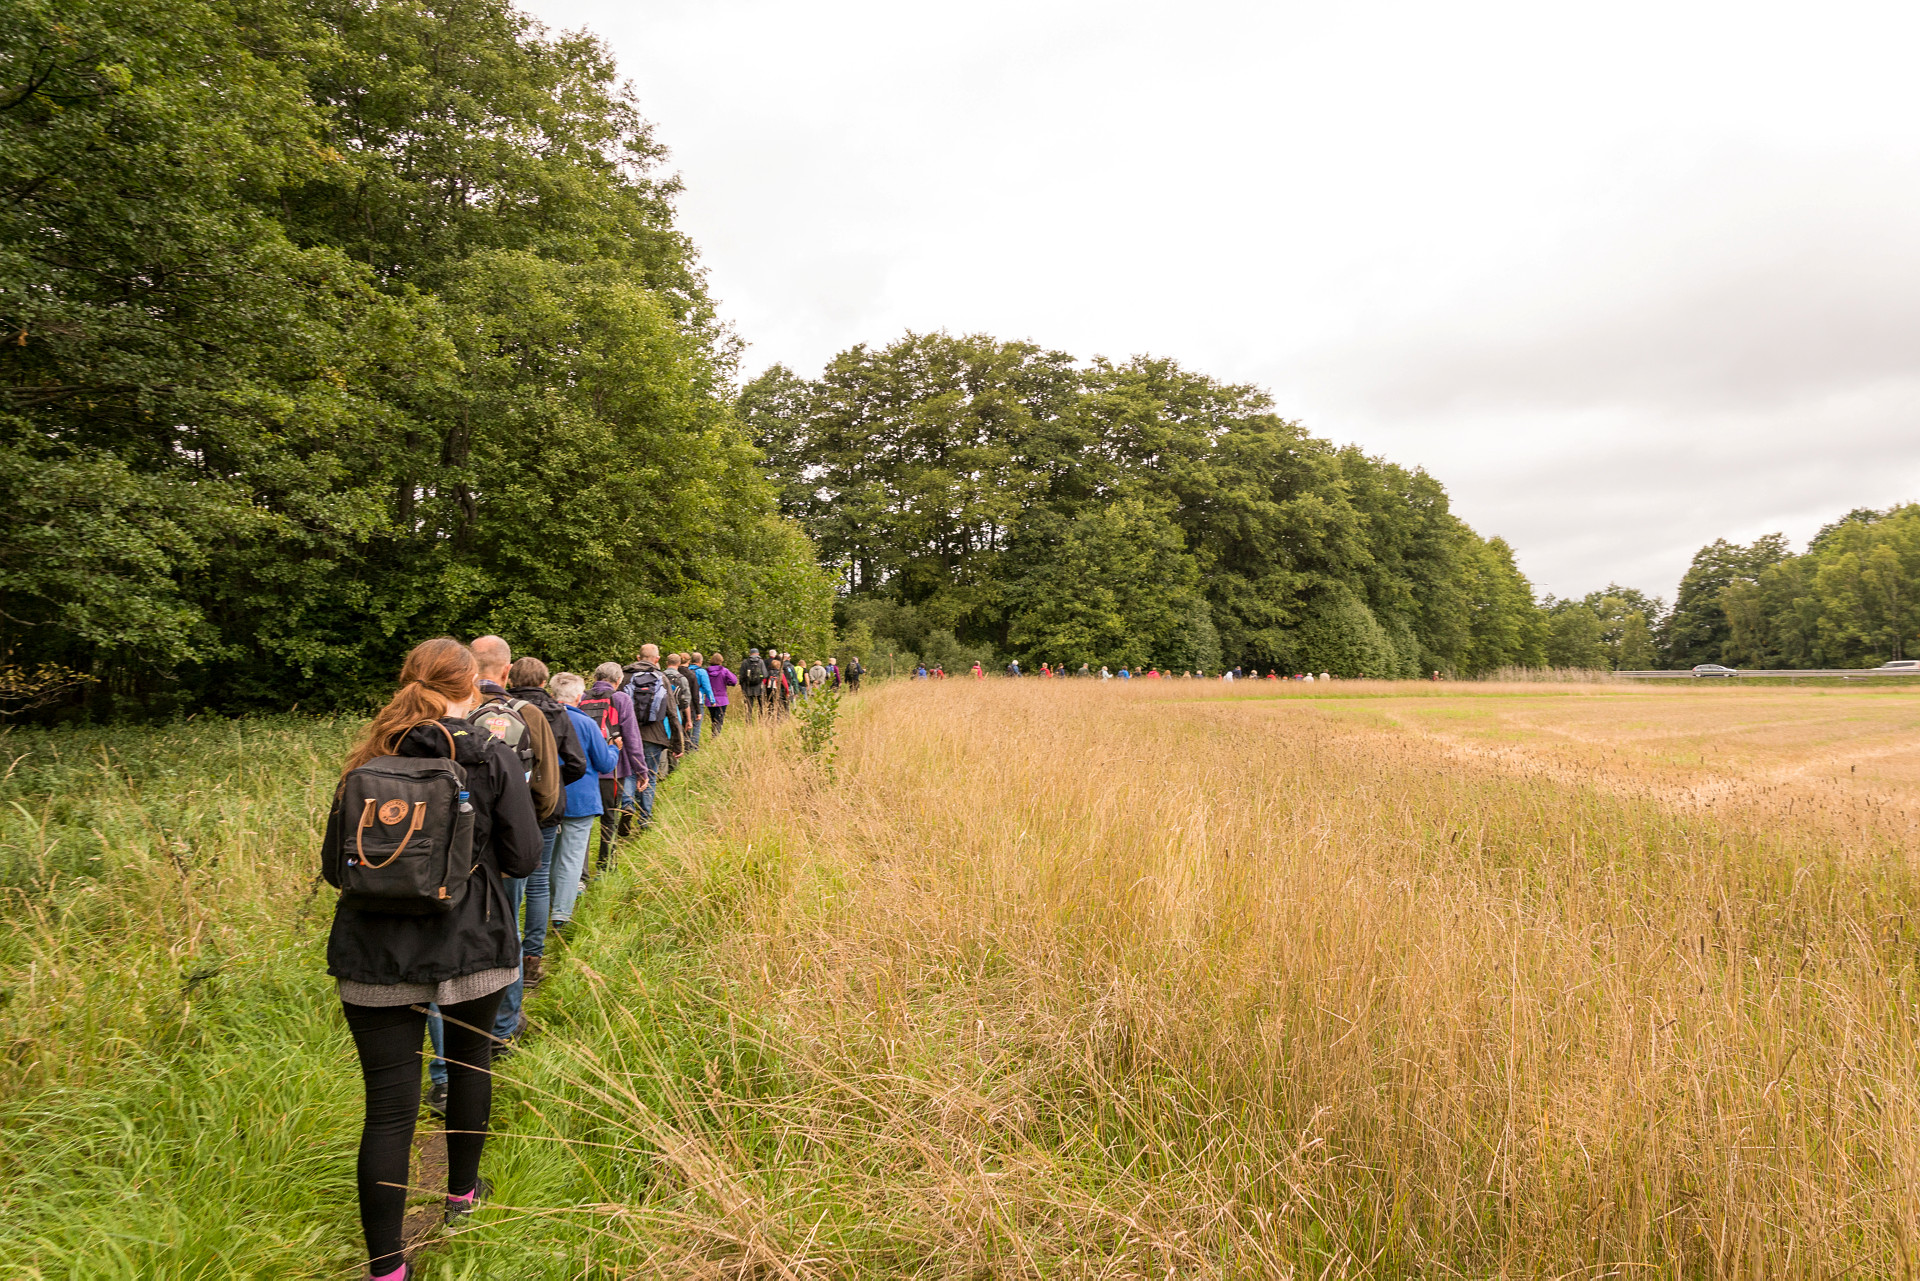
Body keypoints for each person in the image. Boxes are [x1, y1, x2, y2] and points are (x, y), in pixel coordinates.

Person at [321, 637, 542, 1281]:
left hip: (373, 950)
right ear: (471, 687)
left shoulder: (369, 758)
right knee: (470, 1064)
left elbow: (337, 868)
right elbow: (525, 857)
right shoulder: (492, 755)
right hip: (470, 938)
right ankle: (462, 1198)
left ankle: (386, 1269)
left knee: (389, 1106)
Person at [545, 672, 618, 936]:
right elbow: (604, 763)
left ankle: (546, 906)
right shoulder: (585, 723)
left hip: (546, 798)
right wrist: (614, 748)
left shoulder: (540, 719)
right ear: (579, 696)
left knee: (550, 856)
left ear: (553, 693)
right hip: (580, 798)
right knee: (572, 857)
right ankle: (561, 915)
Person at [581, 662, 642, 872]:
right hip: (613, 770)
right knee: (610, 819)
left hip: (583, 770)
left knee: (583, 823)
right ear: (618, 681)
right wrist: (641, 770)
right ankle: (605, 865)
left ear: (595, 677)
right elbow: (632, 738)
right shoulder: (621, 698)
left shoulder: (582, 697)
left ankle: (580, 873)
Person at [623, 645, 675, 828]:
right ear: (657, 659)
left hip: (628, 735)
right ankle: (645, 818)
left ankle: (627, 805)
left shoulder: (625, 676)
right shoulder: (661, 678)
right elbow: (672, 711)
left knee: (629, 773)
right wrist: (677, 744)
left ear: (638, 657)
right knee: (650, 776)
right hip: (654, 736)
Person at [705, 652, 739, 734]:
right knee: (719, 719)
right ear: (721, 661)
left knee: (713, 719)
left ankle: (714, 734)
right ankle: (716, 737)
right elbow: (734, 681)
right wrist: (727, 682)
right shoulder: (724, 670)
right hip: (722, 699)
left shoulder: (706, 671)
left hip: (710, 699)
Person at [688, 651, 714, 745]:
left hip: (686, 701)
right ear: (700, 661)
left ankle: (686, 745)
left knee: (687, 723)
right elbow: (707, 687)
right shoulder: (701, 672)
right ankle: (694, 746)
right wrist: (712, 700)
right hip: (698, 701)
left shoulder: (686, 670)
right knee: (696, 725)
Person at [740, 647, 769, 717]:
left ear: (750, 654)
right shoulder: (761, 662)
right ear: (758, 654)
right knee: (761, 706)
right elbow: (765, 674)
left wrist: (742, 686)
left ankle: (748, 723)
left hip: (748, 688)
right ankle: (761, 721)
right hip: (759, 688)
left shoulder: (745, 662)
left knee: (748, 708)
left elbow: (741, 676)